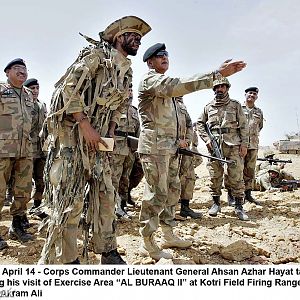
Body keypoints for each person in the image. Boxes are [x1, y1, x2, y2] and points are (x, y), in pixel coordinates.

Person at [38, 16, 151, 264]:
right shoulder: (96, 57)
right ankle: (68, 259)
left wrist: (110, 129)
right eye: (134, 36)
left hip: (100, 140)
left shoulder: (126, 69)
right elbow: (68, 89)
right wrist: (84, 124)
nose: (138, 41)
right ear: (120, 38)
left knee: (106, 195)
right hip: (74, 138)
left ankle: (107, 251)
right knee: (72, 198)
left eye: (140, 38)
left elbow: (120, 104)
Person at [138, 42, 246, 260]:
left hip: (170, 149)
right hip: (155, 148)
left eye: (166, 54)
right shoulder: (151, 81)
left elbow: (182, 121)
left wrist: (182, 140)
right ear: (150, 62)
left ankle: (168, 233)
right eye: (159, 55)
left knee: (172, 191)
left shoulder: (171, 96)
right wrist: (215, 74)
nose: (164, 57)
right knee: (156, 194)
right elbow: (178, 84)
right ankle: (147, 242)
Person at [197, 77, 249, 221]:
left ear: (227, 88)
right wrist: (207, 139)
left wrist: (244, 144)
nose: (219, 89)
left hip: (234, 144)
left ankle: (239, 206)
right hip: (214, 145)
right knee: (215, 175)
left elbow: (244, 126)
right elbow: (199, 124)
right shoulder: (208, 107)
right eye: (216, 87)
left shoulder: (235, 105)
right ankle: (216, 204)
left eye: (222, 87)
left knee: (236, 176)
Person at [0, 58, 34, 250]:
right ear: (7, 72)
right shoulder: (1, 90)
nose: (22, 72)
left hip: (25, 150)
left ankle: (17, 225)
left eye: (24, 69)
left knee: (23, 191)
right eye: (17, 68)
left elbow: (33, 121)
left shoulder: (29, 94)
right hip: (2, 149)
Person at [109, 85, 140, 220]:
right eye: (128, 90)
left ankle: (122, 207)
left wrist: (137, 146)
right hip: (117, 148)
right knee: (114, 179)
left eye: (132, 90)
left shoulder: (134, 110)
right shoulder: (115, 108)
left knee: (125, 180)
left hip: (130, 149)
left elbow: (138, 129)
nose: (130, 93)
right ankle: (111, 209)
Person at [23, 78, 48, 219]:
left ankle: (37, 207)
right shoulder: (24, 105)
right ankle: (20, 214)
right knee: (24, 183)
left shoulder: (42, 105)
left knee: (41, 180)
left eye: (37, 88)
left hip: (41, 149)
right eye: (32, 88)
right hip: (27, 149)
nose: (35, 91)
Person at [177, 102, 203, 219]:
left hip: (185, 147)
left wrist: (186, 141)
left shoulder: (182, 106)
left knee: (189, 176)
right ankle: (167, 211)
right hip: (169, 146)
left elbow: (189, 126)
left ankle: (185, 208)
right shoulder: (165, 101)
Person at [240, 87, 263, 206]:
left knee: (250, 171)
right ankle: (237, 195)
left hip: (253, 145)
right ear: (245, 94)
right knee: (238, 170)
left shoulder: (259, 111)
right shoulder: (238, 108)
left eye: (254, 94)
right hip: (239, 145)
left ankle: (248, 194)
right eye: (250, 93)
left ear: (256, 97)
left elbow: (260, 126)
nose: (252, 95)